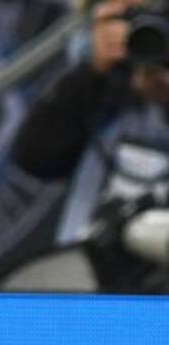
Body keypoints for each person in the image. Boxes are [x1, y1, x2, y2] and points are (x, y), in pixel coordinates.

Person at [13, 0, 169, 291]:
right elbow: (34, 157)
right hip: (86, 279)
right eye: (135, 16)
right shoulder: (97, 85)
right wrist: (94, 71)